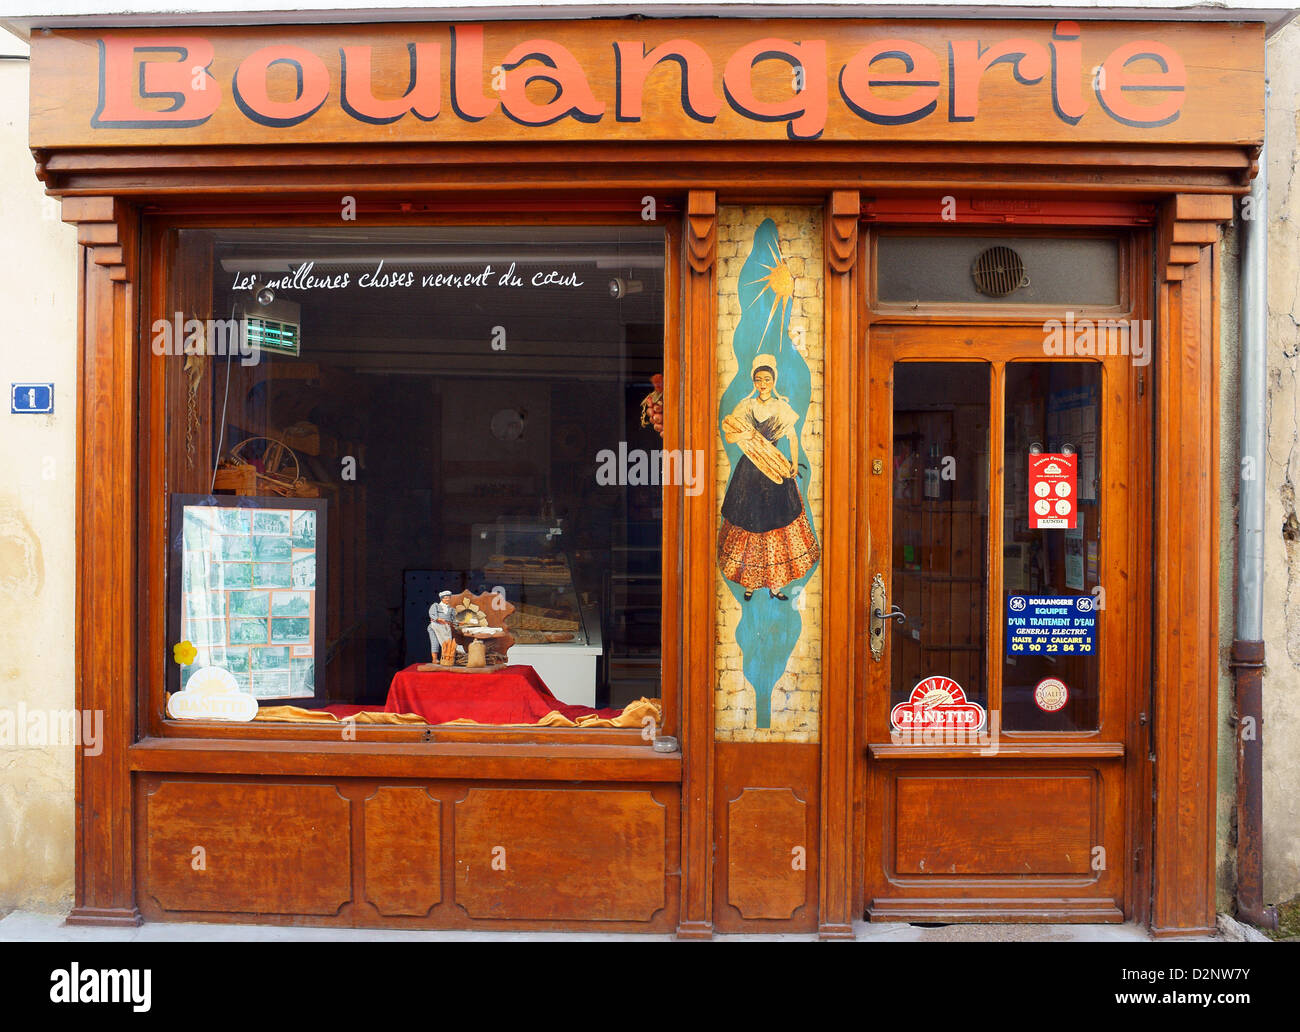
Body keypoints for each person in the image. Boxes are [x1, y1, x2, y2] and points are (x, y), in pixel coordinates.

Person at [718, 354, 820, 600]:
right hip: (750, 473)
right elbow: (731, 429)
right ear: (753, 382)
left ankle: (775, 585)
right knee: (749, 525)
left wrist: (794, 463)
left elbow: (793, 438)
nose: (762, 384)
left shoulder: (781, 407)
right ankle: (750, 583)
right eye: (758, 379)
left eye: (767, 379)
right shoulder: (746, 406)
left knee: (776, 527)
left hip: (775, 471)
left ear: (774, 380)